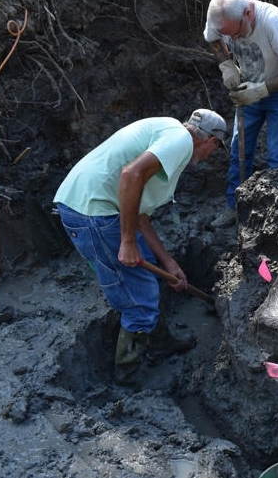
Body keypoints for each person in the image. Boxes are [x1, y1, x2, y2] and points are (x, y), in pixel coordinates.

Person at [53, 110, 228, 383]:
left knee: (145, 278)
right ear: (211, 141)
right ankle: (127, 374)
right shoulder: (180, 140)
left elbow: (139, 211)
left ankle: (159, 342)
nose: (209, 156)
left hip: (89, 206)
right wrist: (127, 241)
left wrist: (168, 261)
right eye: (214, 149)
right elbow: (130, 175)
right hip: (94, 215)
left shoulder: (167, 133)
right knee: (140, 300)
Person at [203, 0, 278, 228]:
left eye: (236, 33)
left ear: (248, 13)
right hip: (247, 91)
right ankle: (235, 207)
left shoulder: (274, 24)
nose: (235, 39)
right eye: (229, 35)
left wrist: (260, 91)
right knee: (239, 152)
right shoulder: (221, 18)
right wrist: (227, 65)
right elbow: (212, 38)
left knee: (276, 156)